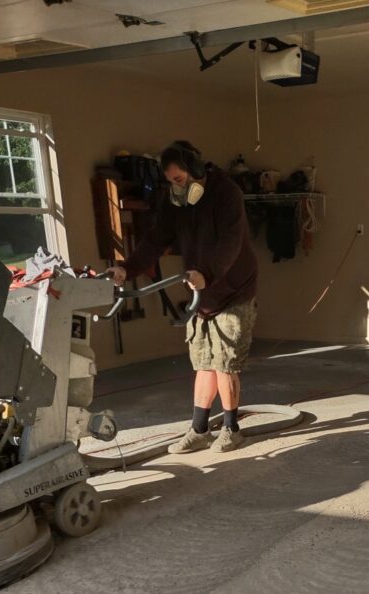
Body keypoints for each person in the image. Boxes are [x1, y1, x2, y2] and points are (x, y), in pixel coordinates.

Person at [109, 141, 258, 453]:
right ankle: (199, 429)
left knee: (225, 363)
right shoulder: (175, 202)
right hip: (202, 294)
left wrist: (209, 272)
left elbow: (231, 242)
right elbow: (155, 239)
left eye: (178, 180)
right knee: (204, 362)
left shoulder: (226, 193)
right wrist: (128, 268)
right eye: (170, 181)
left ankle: (231, 429)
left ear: (196, 171)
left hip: (232, 290)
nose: (174, 187)